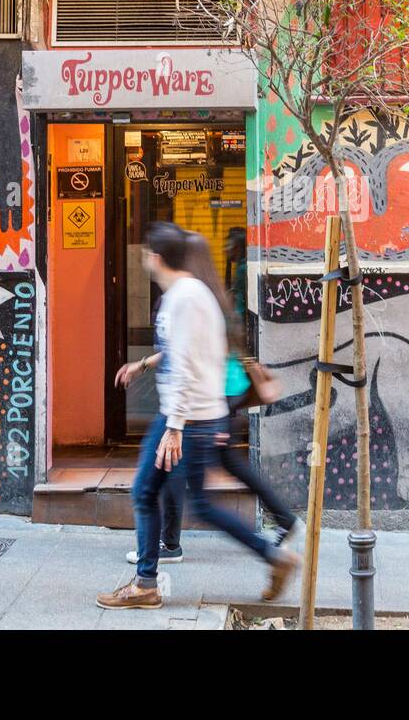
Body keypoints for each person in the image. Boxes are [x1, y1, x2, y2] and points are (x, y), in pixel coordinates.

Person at [97, 222, 298, 611]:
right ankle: (149, 581)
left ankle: (148, 583)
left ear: (156, 257)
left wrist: (173, 427)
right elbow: (185, 354)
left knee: (160, 496)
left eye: (144, 252)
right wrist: (144, 366)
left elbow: (187, 365)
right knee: (164, 496)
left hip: (187, 419)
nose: (142, 258)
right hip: (195, 415)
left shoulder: (184, 297)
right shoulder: (190, 293)